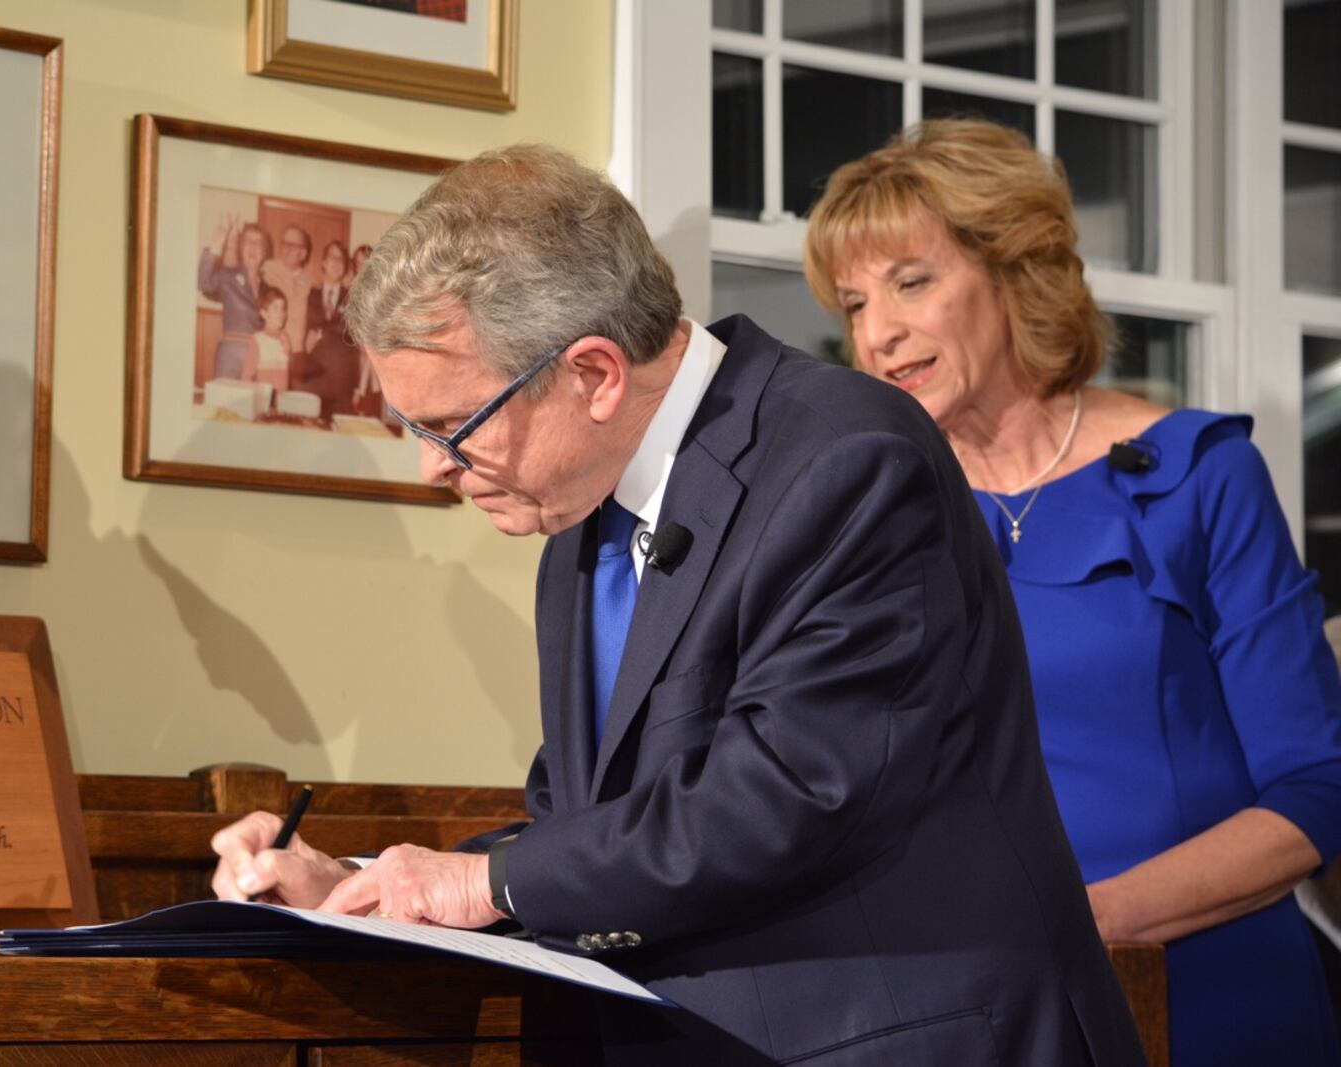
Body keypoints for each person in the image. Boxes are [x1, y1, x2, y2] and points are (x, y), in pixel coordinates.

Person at [210, 144, 1147, 1066]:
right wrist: (368, 885)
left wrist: (484, 880)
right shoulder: (577, 519)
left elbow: (789, 793)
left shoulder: (850, 459)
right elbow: (599, 819)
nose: (431, 465)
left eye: (452, 427)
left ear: (593, 376)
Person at [803, 118, 1341, 1067]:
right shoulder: (871, 515)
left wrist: (1087, 921)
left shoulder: (1199, 475)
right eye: (853, 303)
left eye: (912, 282)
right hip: (972, 1013)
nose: (877, 333)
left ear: (1014, 269)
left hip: (1210, 996)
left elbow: (1314, 794)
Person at [198, 213, 269, 380]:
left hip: (257, 355)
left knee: (252, 405)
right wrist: (217, 244)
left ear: (264, 253)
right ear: (240, 248)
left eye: (258, 243)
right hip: (230, 354)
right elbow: (203, 283)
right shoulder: (228, 276)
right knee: (224, 404)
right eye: (248, 241)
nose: (253, 246)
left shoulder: (269, 289)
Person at [301, 239, 361, 418]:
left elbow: (354, 344)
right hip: (313, 380)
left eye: (341, 259)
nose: (336, 263)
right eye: (332, 258)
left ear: (344, 267)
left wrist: (356, 386)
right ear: (324, 263)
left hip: (341, 383)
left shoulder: (352, 298)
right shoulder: (310, 295)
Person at [261, 223, 312, 358]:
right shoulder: (267, 269)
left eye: (293, 245)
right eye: (285, 243)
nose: (287, 248)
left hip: (298, 353)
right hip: (271, 347)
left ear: (303, 253)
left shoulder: (308, 282)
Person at [245, 285, 291, 391]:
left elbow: (286, 374)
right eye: (275, 308)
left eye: (283, 308)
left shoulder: (285, 338)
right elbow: (246, 377)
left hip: (281, 400)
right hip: (263, 401)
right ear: (264, 314)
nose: (281, 313)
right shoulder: (257, 340)